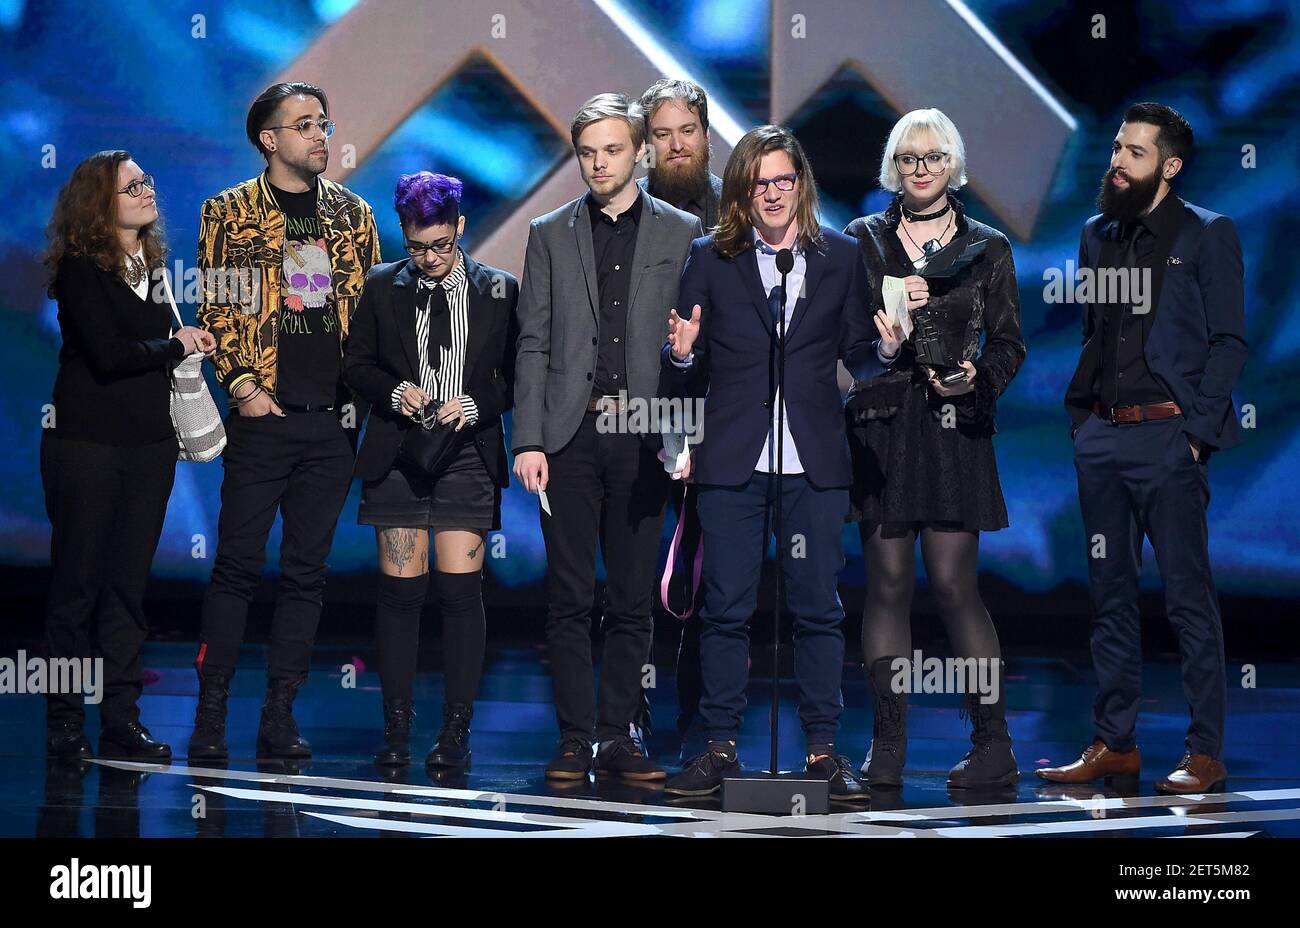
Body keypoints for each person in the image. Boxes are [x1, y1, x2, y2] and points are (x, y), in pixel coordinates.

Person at [659, 124, 885, 800]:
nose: (773, 193)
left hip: (813, 460)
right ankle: (719, 746)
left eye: (784, 179)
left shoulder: (840, 257)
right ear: (742, 193)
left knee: (818, 609)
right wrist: (680, 353)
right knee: (725, 609)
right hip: (732, 459)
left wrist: (892, 348)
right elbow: (682, 367)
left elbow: (861, 351)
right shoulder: (710, 256)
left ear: (801, 185)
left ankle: (821, 751)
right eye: (760, 183)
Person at [1040, 103, 1247, 794]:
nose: (1117, 162)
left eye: (1134, 152)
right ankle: (1114, 742)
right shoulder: (1097, 234)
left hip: (1167, 438)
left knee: (1188, 597)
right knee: (1109, 596)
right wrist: (1084, 424)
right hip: (1103, 436)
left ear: (1170, 165)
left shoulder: (1208, 234)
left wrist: (1196, 437)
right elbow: (1095, 335)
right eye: (1117, 147)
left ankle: (1205, 751)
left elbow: (1229, 342)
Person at [188, 81, 382, 761]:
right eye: (303, 125)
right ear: (269, 140)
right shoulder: (230, 211)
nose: (319, 135)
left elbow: (367, 321)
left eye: (323, 123)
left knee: (307, 572)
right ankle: (210, 714)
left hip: (331, 425)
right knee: (238, 567)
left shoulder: (353, 215)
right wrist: (242, 386)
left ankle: (279, 714)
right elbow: (214, 307)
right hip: (264, 417)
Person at [512, 92, 702, 782]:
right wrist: (527, 439)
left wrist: (685, 438)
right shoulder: (549, 231)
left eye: (612, 149)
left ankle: (619, 737)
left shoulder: (682, 232)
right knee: (568, 597)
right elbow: (532, 343)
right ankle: (573, 739)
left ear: (640, 153)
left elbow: (693, 349)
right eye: (587, 152)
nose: (598, 163)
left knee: (630, 597)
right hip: (569, 435)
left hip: (645, 435)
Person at [843, 108, 1026, 790]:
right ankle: (887, 744)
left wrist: (979, 377)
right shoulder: (863, 240)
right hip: (884, 429)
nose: (921, 169)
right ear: (894, 166)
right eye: (909, 158)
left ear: (954, 165)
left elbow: (1009, 344)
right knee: (886, 585)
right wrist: (886, 342)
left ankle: (993, 744)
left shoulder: (988, 247)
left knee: (954, 586)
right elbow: (847, 345)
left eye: (934, 157)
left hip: (956, 432)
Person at [41, 150, 215, 760]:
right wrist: (175, 343)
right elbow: (109, 356)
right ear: (100, 204)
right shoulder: (80, 270)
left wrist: (181, 345)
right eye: (132, 185)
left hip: (148, 449)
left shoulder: (156, 267)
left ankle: (121, 720)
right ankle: (65, 724)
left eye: (147, 180)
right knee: (77, 589)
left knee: (126, 590)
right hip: (86, 446)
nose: (148, 191)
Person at [343, 172, 518, 770]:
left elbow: (518, 374)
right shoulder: (381, 287)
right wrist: (395, 392)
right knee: (399, 594)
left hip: (468, 453)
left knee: (460, 594)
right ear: (404, 233)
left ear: (460, 227)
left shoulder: (500, 290)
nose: (431, 258)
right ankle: (395, 729)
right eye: (418, 247)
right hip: (399, 454)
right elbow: (356, 366)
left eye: (441, 245)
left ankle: (455, 733)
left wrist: (474, 403)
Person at [634, 77, 724, 762]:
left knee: (705, 578)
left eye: (684, 131)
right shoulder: (621, 209)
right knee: (635, 569)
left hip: (717, 414)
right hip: (635, 413)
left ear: (705, 133)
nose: (674, 145)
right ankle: (628, 714)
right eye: (661, 134)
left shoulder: (738, 210)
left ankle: (701, 721)